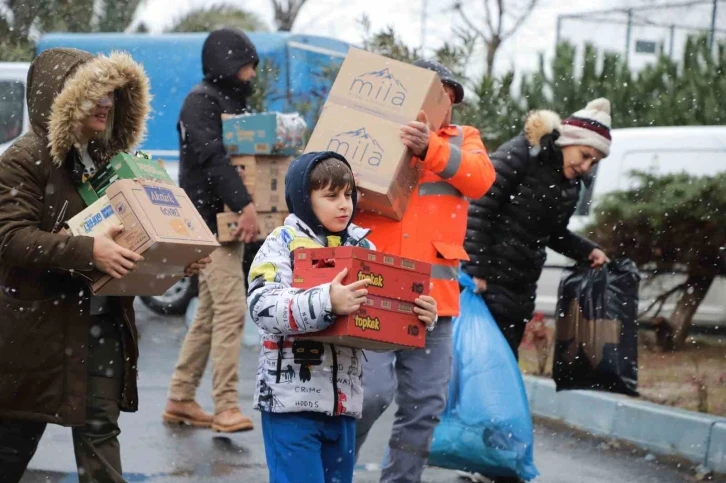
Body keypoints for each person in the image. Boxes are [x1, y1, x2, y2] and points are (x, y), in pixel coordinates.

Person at [0, 47, 209, 483]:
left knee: (99, 433)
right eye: (94, 93)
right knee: (15, 438)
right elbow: (10, 239)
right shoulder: (23, 158)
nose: (106, 103)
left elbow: (128, 241)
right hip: (37, 332)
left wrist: (173, 262)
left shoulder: (105, 161)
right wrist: (86, 250)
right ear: (61, 97)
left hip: (100, 327)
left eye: (112, 94)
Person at [246, 151, 438, 483]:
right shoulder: (282, 244)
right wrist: (326, 302)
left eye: (348, 194)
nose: (344, 205)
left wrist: (416, 315)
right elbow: (263, 305)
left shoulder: (364, 248)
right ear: (304, 200)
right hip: (289, 405)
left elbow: (376, 322)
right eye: (331, 196)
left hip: (343, 407)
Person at [354, 59, 496, 483]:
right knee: (369, 396)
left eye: (449, 97)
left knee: (426, 405)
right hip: (378, 290)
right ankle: (334, 470)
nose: (444, 104)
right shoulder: (377, 135)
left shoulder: (462, 140)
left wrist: (429, 147)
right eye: (437, 94)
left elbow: (482, 179)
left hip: (435, 301)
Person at [164, 28, 261, 433]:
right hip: (209, 225)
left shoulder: (230, 103)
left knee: (207, 313)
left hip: (227, 224)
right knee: (231, 309)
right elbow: (213, 159)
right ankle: (225, 407)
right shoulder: (201, 102)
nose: (251, 74)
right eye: (246, 65)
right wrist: (246, 205)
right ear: (226, 62)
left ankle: (180, 398)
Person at [464, 98, 612, 361]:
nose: (587, 166)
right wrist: (476, 270)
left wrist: (587, 251)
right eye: (585, 155)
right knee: (479, 363)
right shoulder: (522, 154)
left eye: (595, 161)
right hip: (485, 282)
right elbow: (478, 207)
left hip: (520, 288)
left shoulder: (570, 184)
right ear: (569, 141)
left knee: (501, 362)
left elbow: (553, 232)